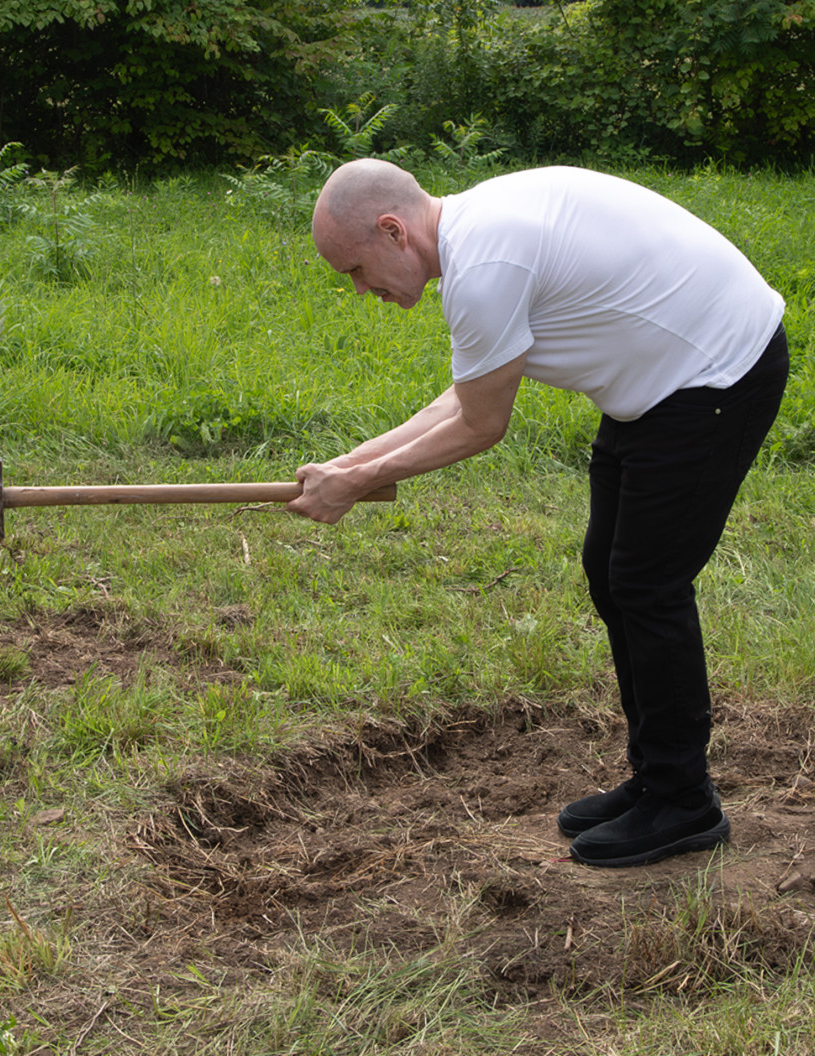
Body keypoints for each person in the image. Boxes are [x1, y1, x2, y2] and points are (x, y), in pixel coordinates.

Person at [289, 158, 788, 868]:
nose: (362, 290)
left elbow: (480, 426)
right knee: (611, 573)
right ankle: (657, 779)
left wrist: (360, 479)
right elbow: (464, 396)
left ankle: (683, 801)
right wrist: (349, 468)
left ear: (392, 230)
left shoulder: (484, 262)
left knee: (647, 584)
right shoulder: (476, 234)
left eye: (355, 270)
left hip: (716, 372)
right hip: (662, 383)